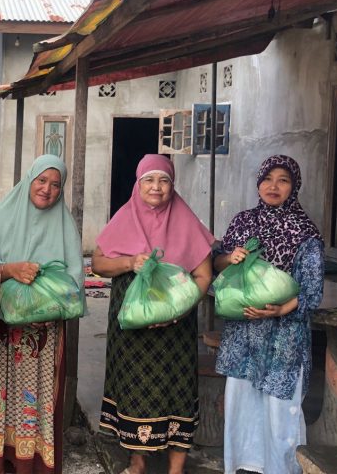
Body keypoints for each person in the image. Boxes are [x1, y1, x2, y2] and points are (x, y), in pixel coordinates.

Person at [92, 154, 214, 474]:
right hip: (131, 325)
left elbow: (204, 274)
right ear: (138, 183)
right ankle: (137, 462)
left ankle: (176, 468)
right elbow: (99, 264)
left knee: (178, 390)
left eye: (164, 181)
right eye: (149, 180)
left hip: (176, 326)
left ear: (172, 185)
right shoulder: (124, 217)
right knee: (134, 387)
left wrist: (181, 308)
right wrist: (130, 262)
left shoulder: (186, 221)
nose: (156, 187)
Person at [0, 154, 85, 474]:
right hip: (1, 333)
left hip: (43, 339)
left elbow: (75, 281)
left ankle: (29, 460)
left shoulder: (65, 226)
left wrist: (46, 287)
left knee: (37, 398)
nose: (47, 189)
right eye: (41, 181)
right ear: (29, 180)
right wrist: (8, 270)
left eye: (55, 184)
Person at [213, 155, 324, 474]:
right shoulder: (242, 221)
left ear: (294, 186)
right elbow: (217, 264)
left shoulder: (305, 232)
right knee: (241, 405)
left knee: (280, 411)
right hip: (243, 334)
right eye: (268, 179)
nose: (273, 186)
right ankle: (244, 465)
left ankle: (282, 468)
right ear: (258, 182)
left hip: (283, 338)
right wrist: (228, 258)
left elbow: (311, 289)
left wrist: (280, 308)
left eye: (283, 180)